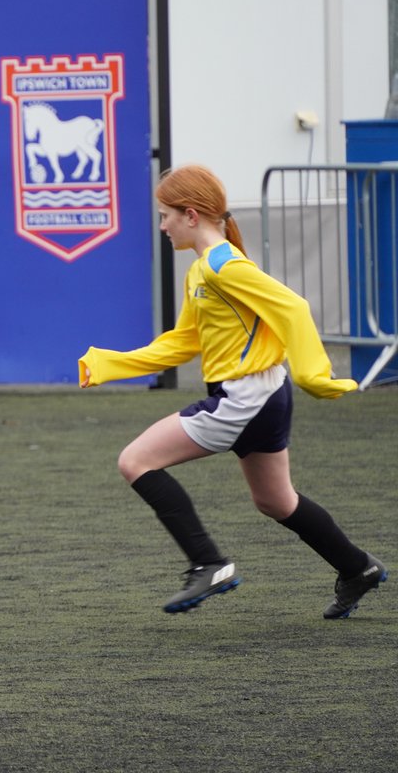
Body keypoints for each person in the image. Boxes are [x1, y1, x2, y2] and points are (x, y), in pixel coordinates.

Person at [78, 164, 387, 618]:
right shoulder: (202, 271)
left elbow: (293, 307)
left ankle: (208, 563)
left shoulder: (224, 265)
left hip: (246, 398)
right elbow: (183, 342)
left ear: (190, 214)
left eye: (164, 215)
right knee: (276, 501)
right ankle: (357, 567)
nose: (161, 225)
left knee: (135, 461)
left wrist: (313, 374)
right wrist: (111, 364)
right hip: (262, 396)